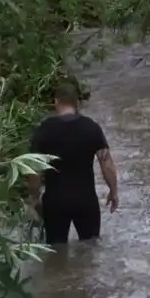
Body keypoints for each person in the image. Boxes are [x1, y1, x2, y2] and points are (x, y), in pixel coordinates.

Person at [27, 83, 119, 245]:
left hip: (55, 201)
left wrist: (34, 197)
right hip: (85, 200)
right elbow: (106, 164)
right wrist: (113, 191)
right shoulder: (91, 127)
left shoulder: (45, 129)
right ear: (77, 103)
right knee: (90, 248)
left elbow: (34, 169)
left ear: (56, 102)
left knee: (56, 250)